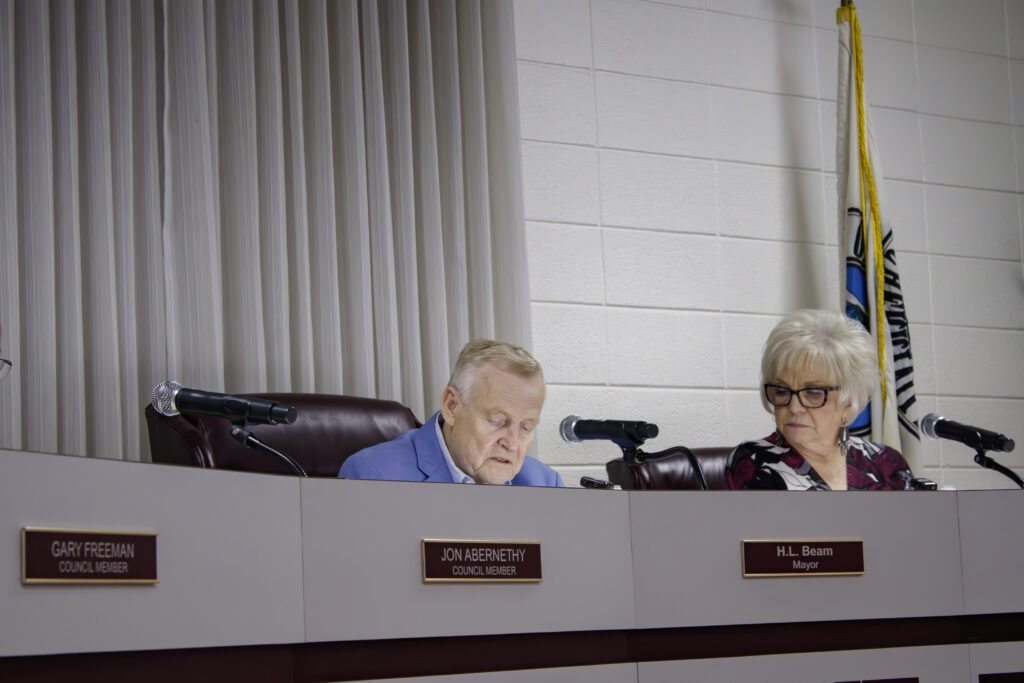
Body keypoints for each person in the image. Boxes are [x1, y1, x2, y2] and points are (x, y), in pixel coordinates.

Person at [726, 309, 913, 491]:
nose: (794, 407)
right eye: (782, 391)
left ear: (848, 402)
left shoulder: (885, 462)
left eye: (813, 393)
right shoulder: (754, 461)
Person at [339, 339, 564, 487]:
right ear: (452, 406)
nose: (513, 444)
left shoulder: (545, 484)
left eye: (526, 427)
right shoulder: (375, 476)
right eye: (498, 421)